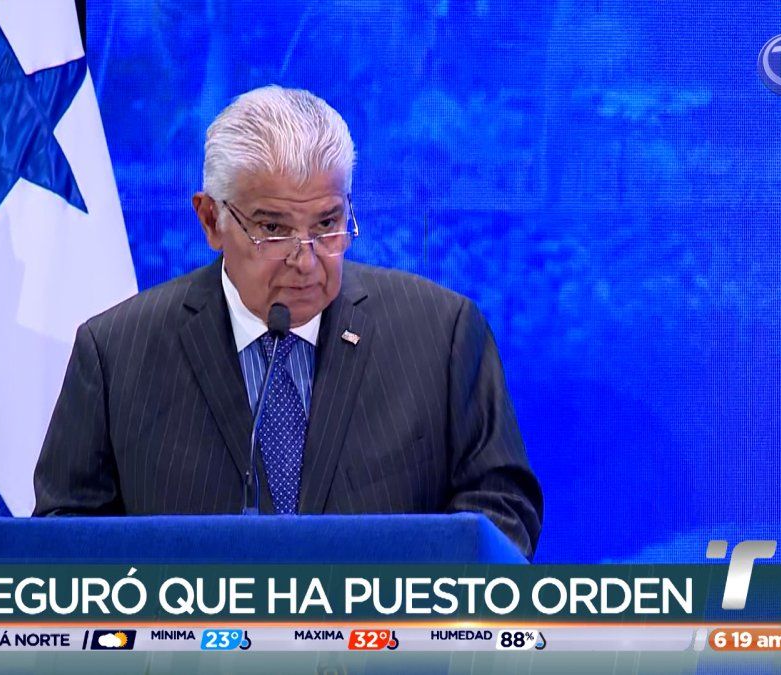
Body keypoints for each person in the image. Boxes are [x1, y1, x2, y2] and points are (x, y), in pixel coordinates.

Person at [33, 85, 542, 558]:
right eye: (273, 229)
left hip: (385, 647)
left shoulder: (442, 333)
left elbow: (501, 504)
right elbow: (67, 536)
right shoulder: (117, 352)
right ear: (211, 219)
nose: (307, 261)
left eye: (328, 224)